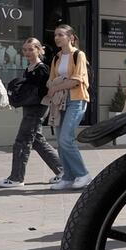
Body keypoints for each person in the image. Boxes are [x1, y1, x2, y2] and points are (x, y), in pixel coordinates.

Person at [0, 38, 63, 188]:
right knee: (37, 140)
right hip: (30, 107)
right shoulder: (29, 67)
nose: (27, 52)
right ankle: (63, 171)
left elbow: (47, 89)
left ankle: (16, 178)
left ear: (39, 50)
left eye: (31, 49)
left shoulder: (42, 68)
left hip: (37, 108)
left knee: (22, 141)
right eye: (25, 50)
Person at [46, 24, 92, 190]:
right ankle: (67, 177)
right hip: (60, 102)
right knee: (60, 140)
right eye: (56, 35)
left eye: (61, 35)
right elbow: (50, 81)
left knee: (66, 138)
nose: (57, 38)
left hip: (77, 99)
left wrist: (57, 86)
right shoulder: (56, 57)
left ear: (71, 37)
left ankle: (83, 174)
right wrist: (56, 85)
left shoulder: (78, 55)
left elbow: (77, 79)